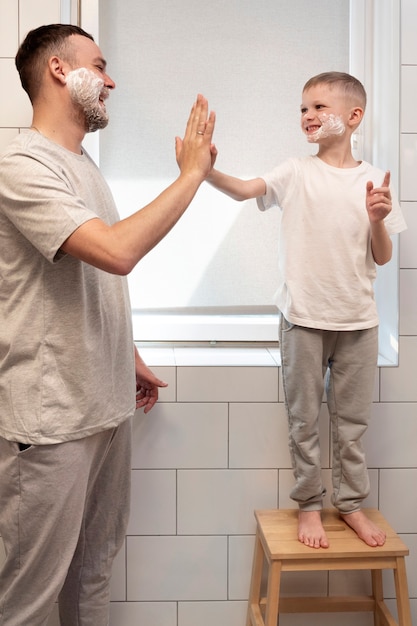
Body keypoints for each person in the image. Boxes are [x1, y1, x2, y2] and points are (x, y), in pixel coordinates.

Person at [0, 23, 216, 626]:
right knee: (30, 599)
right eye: (100, 63)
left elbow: (94, 279)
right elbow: (118, 251)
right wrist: (191, 175)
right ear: (59, 71)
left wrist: (130, 358)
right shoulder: (20, 165)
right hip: (51, 421)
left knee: (92, 574)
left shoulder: (82, 166)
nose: (113, 78)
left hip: (105, 403)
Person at [206, 72, 406, 549]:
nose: (308, 117)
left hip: (359, 323)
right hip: (303, 320)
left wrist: (377, 219)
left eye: (318, 107)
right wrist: (203, 171)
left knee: (352, 425)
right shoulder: (295, 171)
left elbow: (381, 256)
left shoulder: (374, 180)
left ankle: (352, 505)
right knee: (304, 420)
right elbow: (244, 189)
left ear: (354, 117)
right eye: (303, 109)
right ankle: (310, 506)